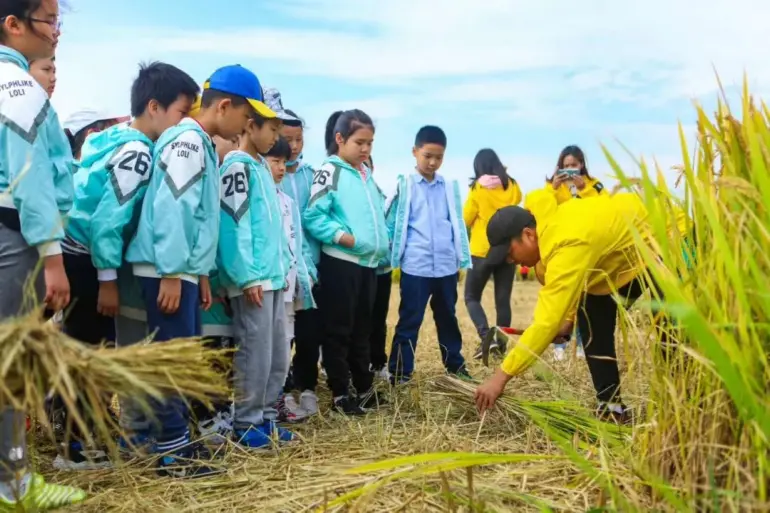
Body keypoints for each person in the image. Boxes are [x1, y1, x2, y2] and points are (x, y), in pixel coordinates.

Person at [53, 63, 199, 471]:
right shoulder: (137, 153)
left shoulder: (110, 137)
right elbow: (108, 221)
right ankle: (76, 449)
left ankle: (80, 438)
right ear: (154, 107)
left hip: (73, 250)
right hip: (86, 258)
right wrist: (107, 281)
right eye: (182, 113)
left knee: (81, 349)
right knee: (91, 354)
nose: (185, 124)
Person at [125, 64, 261, 477]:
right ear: (224, 106)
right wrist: (171, 271)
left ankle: (175, 440)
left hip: (182, 269)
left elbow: (197, 218)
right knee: (172, 359)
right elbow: (174, 208)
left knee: (178, 356)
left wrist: (198, 272)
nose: (246, 125)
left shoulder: (197, 141)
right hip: (167, 269)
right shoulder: (187, 142)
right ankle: (172, 452)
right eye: (246, 116)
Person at [473, 189, 669, 424]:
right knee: (591, 316)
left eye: (509, 253)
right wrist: (568, 318)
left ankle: (683, 408)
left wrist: (499, 379)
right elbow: (572, 285)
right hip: (622, 256)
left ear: (528, 235)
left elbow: (545, 323)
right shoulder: (545, 223)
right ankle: (611, 408)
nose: (511, 262)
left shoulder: (565, 241)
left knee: (671, 326)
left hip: (667, 238)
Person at [0, 0, 87, 508]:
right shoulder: (20, 88)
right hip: (17, 235)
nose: (58, 32)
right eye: (51, 19)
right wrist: (53, 259)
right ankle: (14, 485)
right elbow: (30, 179)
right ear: (13, 25)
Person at [217, 87, 297, 448]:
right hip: (253, 280)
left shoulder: (261, 168)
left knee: (277, 355)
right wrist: (246, 274)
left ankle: (266, 418)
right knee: (254, 354)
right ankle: (247, 424)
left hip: (274, 278)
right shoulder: (236, 165)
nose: (276, 138)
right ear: (251, 126)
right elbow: (235, 225)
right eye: (272, 130)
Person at [303, 109, 390, 416]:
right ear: (339, 139)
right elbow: (313, 215)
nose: (366, 149)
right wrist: (344, 237)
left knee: (362, 329)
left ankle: (364, 388)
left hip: (368, 265)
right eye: (360, 142)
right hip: (342, 262)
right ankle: (341, 393)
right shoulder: (331, 171)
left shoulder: (366, 174)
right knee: (339, 330)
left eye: (370, 143)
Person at [386, 126, 472, 383]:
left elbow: (455, 222)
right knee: (410, 320)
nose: (433, 162)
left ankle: (455, 367)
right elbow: (393, 222)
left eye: (438, 157)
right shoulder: (406, 186)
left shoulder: (448, 187)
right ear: (415, 152)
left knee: (448, 319)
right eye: (427, 156)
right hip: (416, 265)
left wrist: (458, 258)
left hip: (445, 266)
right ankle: (400, 372)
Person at [262, 89, 323, 415]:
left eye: (299, 139)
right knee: (281, 335)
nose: (295, 146)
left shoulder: (313, 175)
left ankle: (308, 387)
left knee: (310, 332)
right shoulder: (269, 175)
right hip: (280, 269)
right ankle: (282, 392)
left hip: (309, 268)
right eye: (288, 139)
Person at [546, 145, 604, 360]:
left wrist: (584, 190)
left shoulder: (594, 185)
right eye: (566, 166)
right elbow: (545, 210)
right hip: (563, 248)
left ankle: (582, 345)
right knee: (562, 299)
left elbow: (602, 209)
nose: (570, 170)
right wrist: (552, 189)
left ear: (582, 165)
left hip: (588, 248)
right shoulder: (553, 187)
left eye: (574, 165)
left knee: (585, 299)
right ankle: (559, 346)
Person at [462, 149, 522, 360]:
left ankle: (486, 337)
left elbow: (466, 217)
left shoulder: (478, 187)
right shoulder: (512, 185)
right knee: (503, 300)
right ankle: (501, 347)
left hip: (482, 251)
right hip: (508, 251)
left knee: (470, 297)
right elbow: (517, 205)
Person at [367, 155, 392, 381]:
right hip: (360, 268)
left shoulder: (382, 196)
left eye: (367, 165)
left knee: (378, 319)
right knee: (357, 321)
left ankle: (378, 362)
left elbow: (390, 227)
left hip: (382, 268)